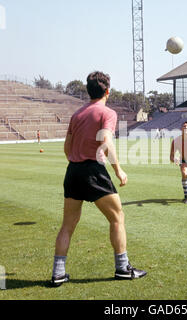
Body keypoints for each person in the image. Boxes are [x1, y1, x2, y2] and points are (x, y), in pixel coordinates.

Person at [50, 71, 147, 287]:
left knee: (68, 224)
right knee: (117, 217)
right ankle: (122, 268)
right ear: (107, 91)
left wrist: (77, 161)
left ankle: (58, 273)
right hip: (93, 171)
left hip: (73, 171)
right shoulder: (107, 112)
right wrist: (118, 170)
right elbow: (106, 141)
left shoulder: (77, 115)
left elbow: (67, 147)